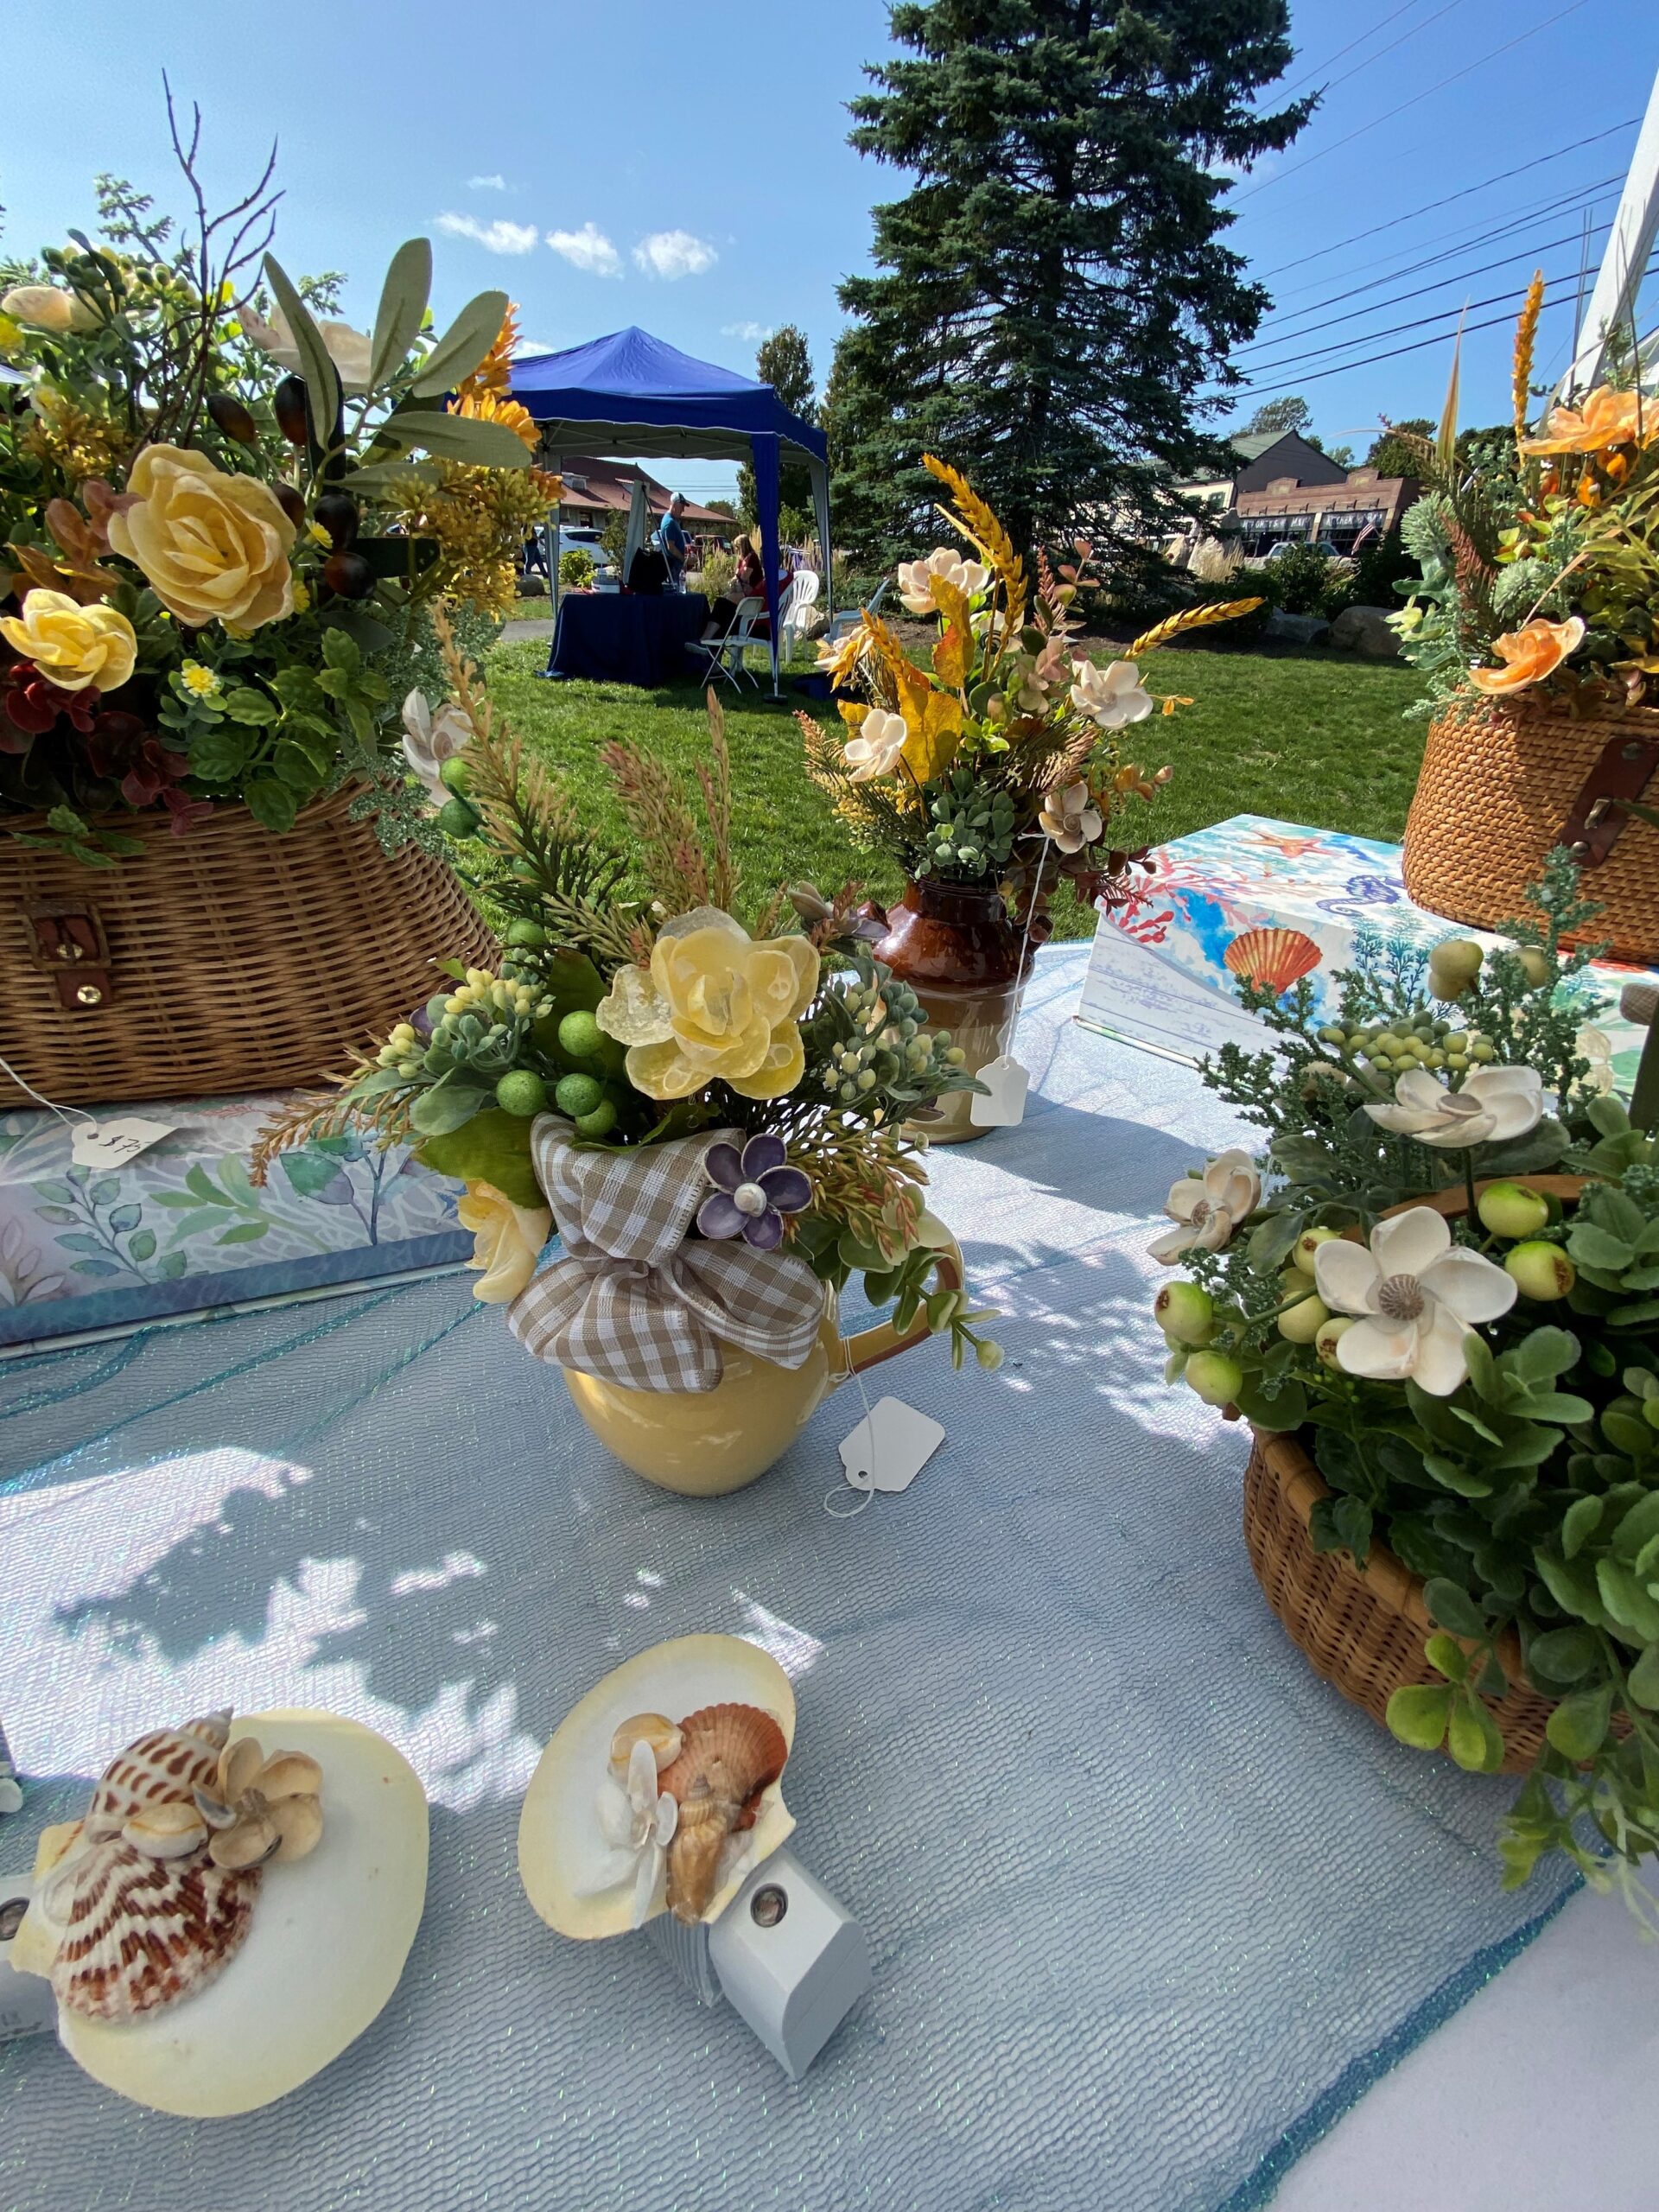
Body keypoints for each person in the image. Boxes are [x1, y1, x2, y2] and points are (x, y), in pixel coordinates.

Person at [700, 533, 768, 640]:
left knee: (723, 602)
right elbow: (736, 576)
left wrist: (736, 581)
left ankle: (706, 640)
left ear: (742, 546)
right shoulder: (742, 559)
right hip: (745, 595)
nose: (736, 550)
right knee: (723, 602)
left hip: (751, 599)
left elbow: (743, 578)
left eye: (737, 547)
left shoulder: (752, 557)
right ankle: (708, 641)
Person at [658, 493, 689, 591]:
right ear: (675, 505)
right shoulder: (669, 522)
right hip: (673, 567)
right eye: (682, 506)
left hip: (676, 567)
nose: (683, 510)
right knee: (675, 592)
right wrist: (684, 560)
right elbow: (670, 547)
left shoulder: (673, 520)